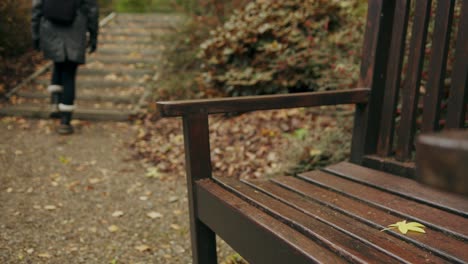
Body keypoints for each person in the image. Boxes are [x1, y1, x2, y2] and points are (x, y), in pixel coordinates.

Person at [32, 0, 99, 135]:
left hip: (50, 28)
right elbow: (92, 10)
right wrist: (93, 36)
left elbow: (36, 9)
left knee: (58, 62)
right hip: (75, 29)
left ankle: (55, 102)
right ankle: (65, 121)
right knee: (69, 73)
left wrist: (35, 35)